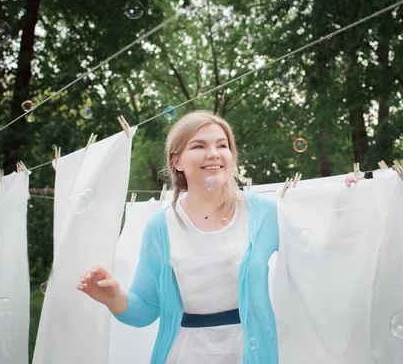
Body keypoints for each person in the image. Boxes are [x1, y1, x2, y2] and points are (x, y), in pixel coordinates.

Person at [77, 110, 279, 363]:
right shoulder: (161, 227)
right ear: (177, 162)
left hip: (249, 353)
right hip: (184, 353)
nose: (213, 153)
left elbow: (320, 244)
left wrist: (345, 193)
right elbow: (145, 310)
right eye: (198, 146)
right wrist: (114, 298)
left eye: (222, 145)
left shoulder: (263, 213)